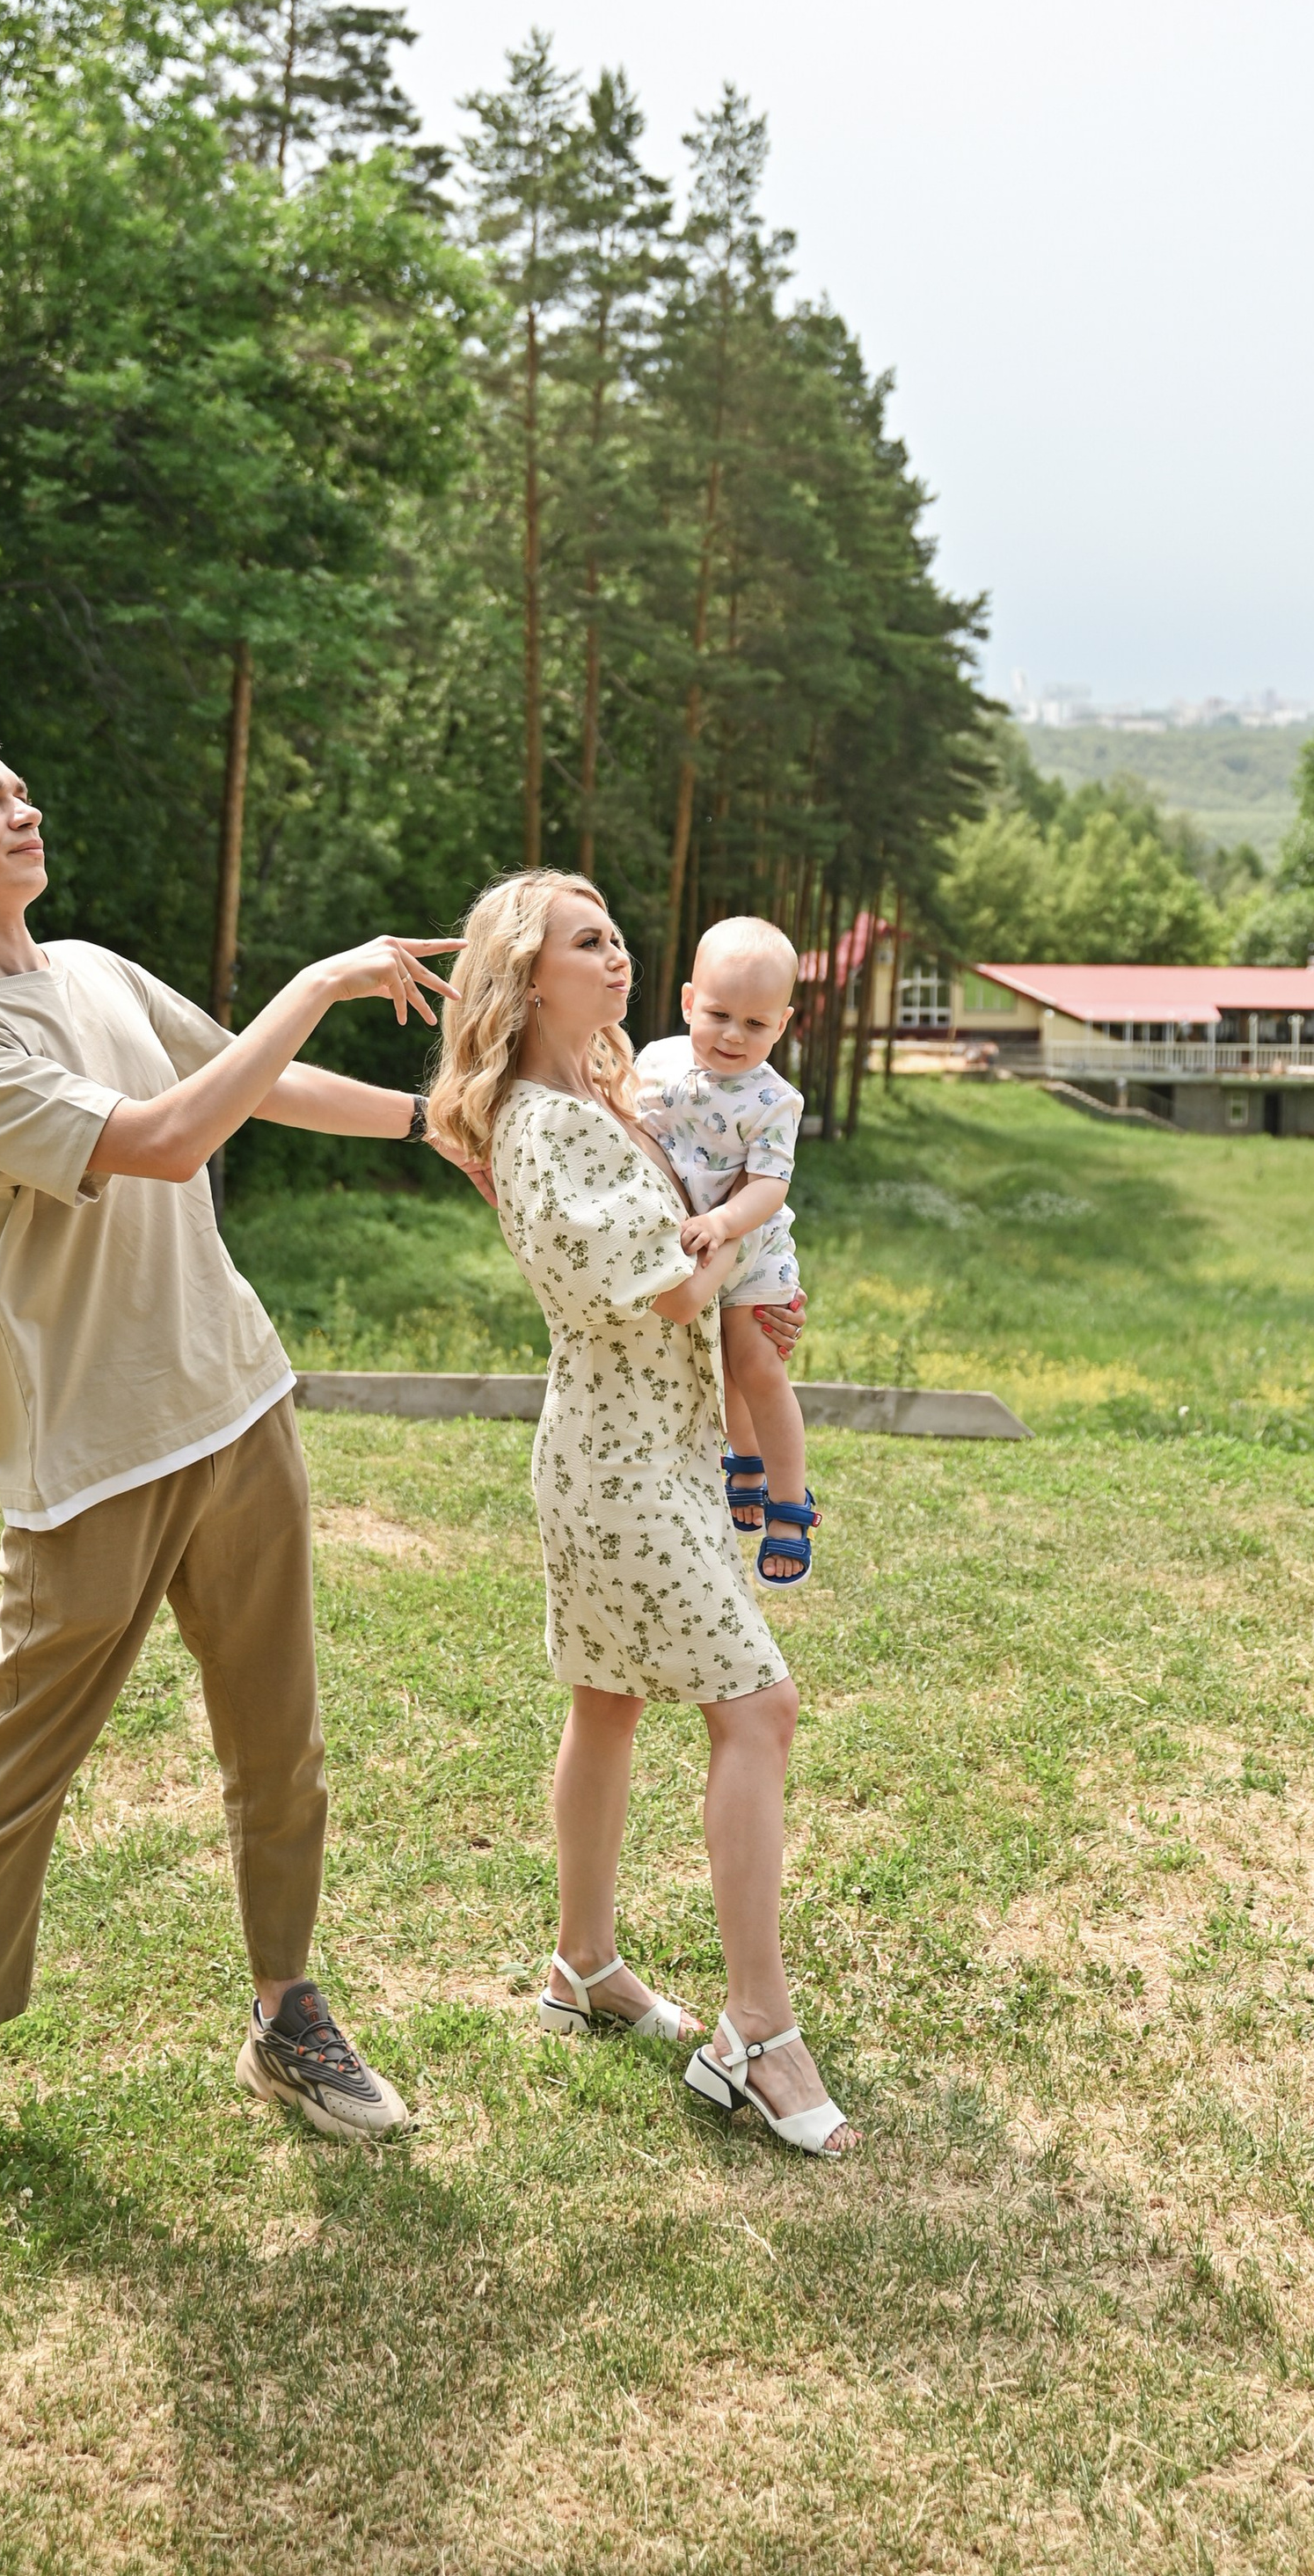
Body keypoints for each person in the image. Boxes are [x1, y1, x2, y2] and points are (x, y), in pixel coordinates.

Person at [0, 721, 463, 2221]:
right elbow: (173, 1139)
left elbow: (240, 1085)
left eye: (21, 788)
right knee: (15, 1775)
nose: (24, 807)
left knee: (280, 1747)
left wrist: (438, 1121)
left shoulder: (100, 971)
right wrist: (315, 982)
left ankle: (288, 2016)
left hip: (235, 1403)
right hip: (92, 1456)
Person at [427, 869, 854, 2159]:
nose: (615, 957)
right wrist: (737, 1263)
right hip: (617, 1463)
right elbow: (675, 1287)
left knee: (608, 1699)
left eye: (618, 937)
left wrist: (732, 1273)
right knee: (758, 1703)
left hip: (654, 1447)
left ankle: (582, 1962)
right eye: (587, 941)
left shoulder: (603, 1098)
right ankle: (760, 2031)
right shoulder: (547, 1123)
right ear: (527, 971)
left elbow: (699, 1236)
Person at [632, 917, 817, 1585]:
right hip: (690, 1240)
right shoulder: (654, 1062)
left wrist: (724, 1220)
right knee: (719, 1365)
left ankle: (790, 1502)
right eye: (718, 1014)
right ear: (687, 1002)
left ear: (783, 1024)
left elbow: (770, 1183)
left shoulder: (774, 1098)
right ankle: (744, 1459)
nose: (734, 1035)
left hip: (752, 1243)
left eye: (756, 1023)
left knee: (756, 1364)